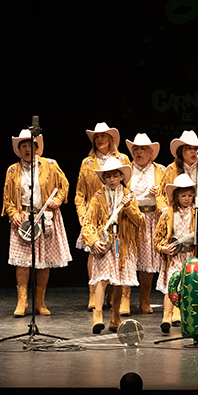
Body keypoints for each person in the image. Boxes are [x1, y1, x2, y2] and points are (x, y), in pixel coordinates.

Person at [2, 128, 71, 318]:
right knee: (23, 263)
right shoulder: (13, 170)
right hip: (24, 218)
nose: (26, 149)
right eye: (22, 146)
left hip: (45, 216)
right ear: (19, 149)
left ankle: (40, 301)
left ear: (36, 147)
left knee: (43, 263)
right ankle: (22, 300)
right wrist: (13, 213)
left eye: (29, 145)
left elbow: (64, 185)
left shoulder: (50, 164)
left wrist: (58, 201)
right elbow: (8, 198)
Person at [81, 156, 143, 334]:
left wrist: (128, 206)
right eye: (108, 177)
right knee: (103, 279)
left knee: (118, 283)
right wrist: (93, 241)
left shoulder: (128, 195)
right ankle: (97, 315)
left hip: (123, 244)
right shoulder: (97, 197)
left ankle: (115, 317)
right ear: (104, 178)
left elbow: (139, 220)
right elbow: (88, 223)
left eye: (115, 176)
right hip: (105, 242)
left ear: (121, 176)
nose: (112, 180)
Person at [74, 122, 131, 313]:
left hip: (118, 212)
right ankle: (94, 292)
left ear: (111, 139)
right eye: (96, 137)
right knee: (95, 251)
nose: (100, 139)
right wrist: (82, 214)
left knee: (119, 254)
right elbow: (80, 193)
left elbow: (127, 188)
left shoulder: (122, 158)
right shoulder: (87, 163)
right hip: (95, 213)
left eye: (103, 136)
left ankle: (119, 296)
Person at [154, 174, 198, 334]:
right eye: (183, 196)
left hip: (191, 256)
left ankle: (180, 314)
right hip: (174, 257)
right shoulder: (167, 215)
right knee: (171, 286)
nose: (187, 199)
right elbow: (157, 240)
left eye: (189, 195)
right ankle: (166, 316)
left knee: (187, 288)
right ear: (176, 196)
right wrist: (163, 249)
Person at [160, 130, 198, 275]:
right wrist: (166, 212)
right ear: (181, 151)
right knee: (179, 265)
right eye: (189, 148)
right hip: (179, 221)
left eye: (195, 148)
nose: (193, 152)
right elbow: (160, 195)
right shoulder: (171, 169)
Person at [126, 133, 165, 315]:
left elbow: (170, 194)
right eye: (136, 149)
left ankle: (144, 299)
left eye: (143, 149)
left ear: (151, 153)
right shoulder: (126, 170)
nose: (139, 152)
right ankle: (124, 298)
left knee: (147, 260)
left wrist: (159, 192)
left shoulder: (160, 171)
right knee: (127, 258)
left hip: (151, 218)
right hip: (131, 217)